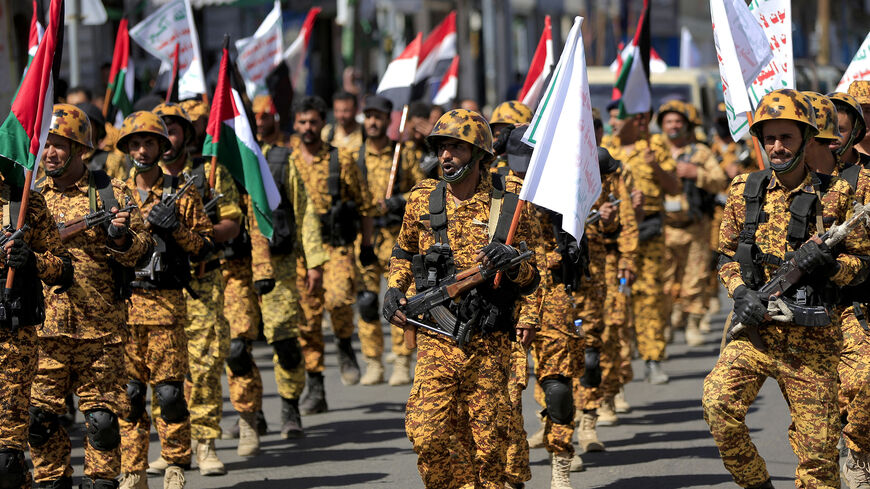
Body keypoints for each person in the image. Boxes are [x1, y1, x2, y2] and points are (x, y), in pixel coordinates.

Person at [703, 89, 870, 489]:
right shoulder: (745, 189)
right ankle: (756, 483)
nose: (777, 147)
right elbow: (725, 255)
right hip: (757, 331)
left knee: (818, 461)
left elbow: (862, 267)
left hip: (812, 343)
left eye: (787, 138)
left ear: (807, 140)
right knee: (717, 404)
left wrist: (831, 266)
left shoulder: (838, 194)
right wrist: (741, 292)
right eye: (770, 138)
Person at [384, 108, 541, 488]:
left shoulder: (511, 203)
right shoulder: (423, 198)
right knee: (426, 433)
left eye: (457, 147)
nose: (446, 156)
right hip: (436, 340)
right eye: (441, 148)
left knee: (488, 451)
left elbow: (535, 277)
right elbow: (404, 252)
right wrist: (394, 288)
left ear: (480, 155)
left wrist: (513, 265)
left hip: (489, 343)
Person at [30, 104, 150, 489]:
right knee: (39, 423)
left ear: (82, 149)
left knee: (101, 424)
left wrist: (120, 237)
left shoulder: (109, 190)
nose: (50, 153)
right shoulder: (29, 198)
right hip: (44, 331)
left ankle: (101, 481)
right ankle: (52, 481)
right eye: (46, 145)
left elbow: (142, 249)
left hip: (101, 331)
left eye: (60, 145)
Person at [116, 111, 213, 489]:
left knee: (171, 394)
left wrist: (177, 230)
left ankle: (174, 464)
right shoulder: (114, 193)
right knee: (130, 396)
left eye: (150, 143)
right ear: (127, 149)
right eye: (136, 144)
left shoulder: (182, 192)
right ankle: (134, 470)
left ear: (162, 147)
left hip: (165, 308)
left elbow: (204, 247)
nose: (143, 150)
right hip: (124, 309)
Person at [148, 102, 241, 477]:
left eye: (173, 130)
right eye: (160, 132)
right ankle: (173, 447)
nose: (166, 140)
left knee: (203, 365)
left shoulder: (208, 172)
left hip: (200, 281)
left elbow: (232, 223)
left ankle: (205, 443)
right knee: (163, 372)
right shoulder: (138, 178)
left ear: (186, 133)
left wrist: (194, 237)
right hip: (155, 287)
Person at [249, 97, 328, 439]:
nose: (259, 123)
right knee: (238, 346)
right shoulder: (224, 163)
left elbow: (305, 211)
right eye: (253, 118)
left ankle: (289, 405)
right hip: (238, 268)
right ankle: (249, 411)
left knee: (284, 340)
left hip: (279, 264)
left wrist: (313, 263)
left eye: (265, 117)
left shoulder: (281, 160)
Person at [290, 95, 374, 413]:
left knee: (339, 299)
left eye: (313, 122)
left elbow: (364, 205)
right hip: (300, 252)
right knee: (307, 322)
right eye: (302, 122)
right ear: (295, 125)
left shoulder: (341, 160)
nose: (308, 128)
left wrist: (365, 245)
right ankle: (315, 387)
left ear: (322, 124)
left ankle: (343, 341)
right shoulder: (289, 160)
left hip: (335, 245)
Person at [602, 106, 680, 384]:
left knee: (649, 296)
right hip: (614, 234)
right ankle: (621, 366)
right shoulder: (604, 147)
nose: (613, 122)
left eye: (617, 116)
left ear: (634, 119)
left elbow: (674, 188)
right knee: (618, 299)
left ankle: (652, 359)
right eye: (610, 117)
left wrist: (655, 165)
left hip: (649, 229)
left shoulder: (654, 145)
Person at [353, 94, 423, 386]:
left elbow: (423, 189)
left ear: (388, 120)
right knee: (367, 302)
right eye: (368, 116)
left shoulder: (402, 153)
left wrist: (396, 201)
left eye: (378, 116)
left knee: (398, 299)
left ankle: (402, 360)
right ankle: (372, 361)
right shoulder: (355, 157)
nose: (372, 121)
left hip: (397, 237)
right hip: (366, 238)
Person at [655, 100, 727, 346]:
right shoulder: (655, 151)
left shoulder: (700, 152)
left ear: (686, 125)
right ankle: (666, 321)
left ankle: (694, 323)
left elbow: (719, 181)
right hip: (663, 228)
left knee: (695, 277)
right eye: (668, 122)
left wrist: (696, 174)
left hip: (695, 226)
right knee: (663, 280)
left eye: (678, 121)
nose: (673, 126)